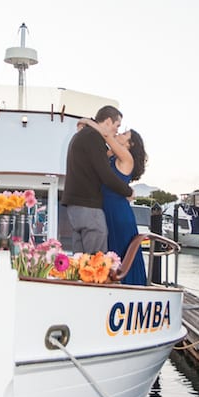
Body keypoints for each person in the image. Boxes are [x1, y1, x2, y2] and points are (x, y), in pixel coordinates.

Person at [81, 120, 148, 285]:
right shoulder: (113, 156)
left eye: (124, 134)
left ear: (129, 144)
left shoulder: (126, 158)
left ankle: (130, 289)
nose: (119, 133)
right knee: (110, 254)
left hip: (118, 214)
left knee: (121, 254)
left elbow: (106, 135)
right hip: (107, 211)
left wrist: (88, 121)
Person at [61, 105, 134, 254]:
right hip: (89, 207)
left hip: (74, 207)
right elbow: (105, 175)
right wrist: (128, 191)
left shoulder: (81, 136)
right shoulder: (93, 138)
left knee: (80, 260)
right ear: (108, 121)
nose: (117, 131)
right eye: (117, 125)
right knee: (96, 261)